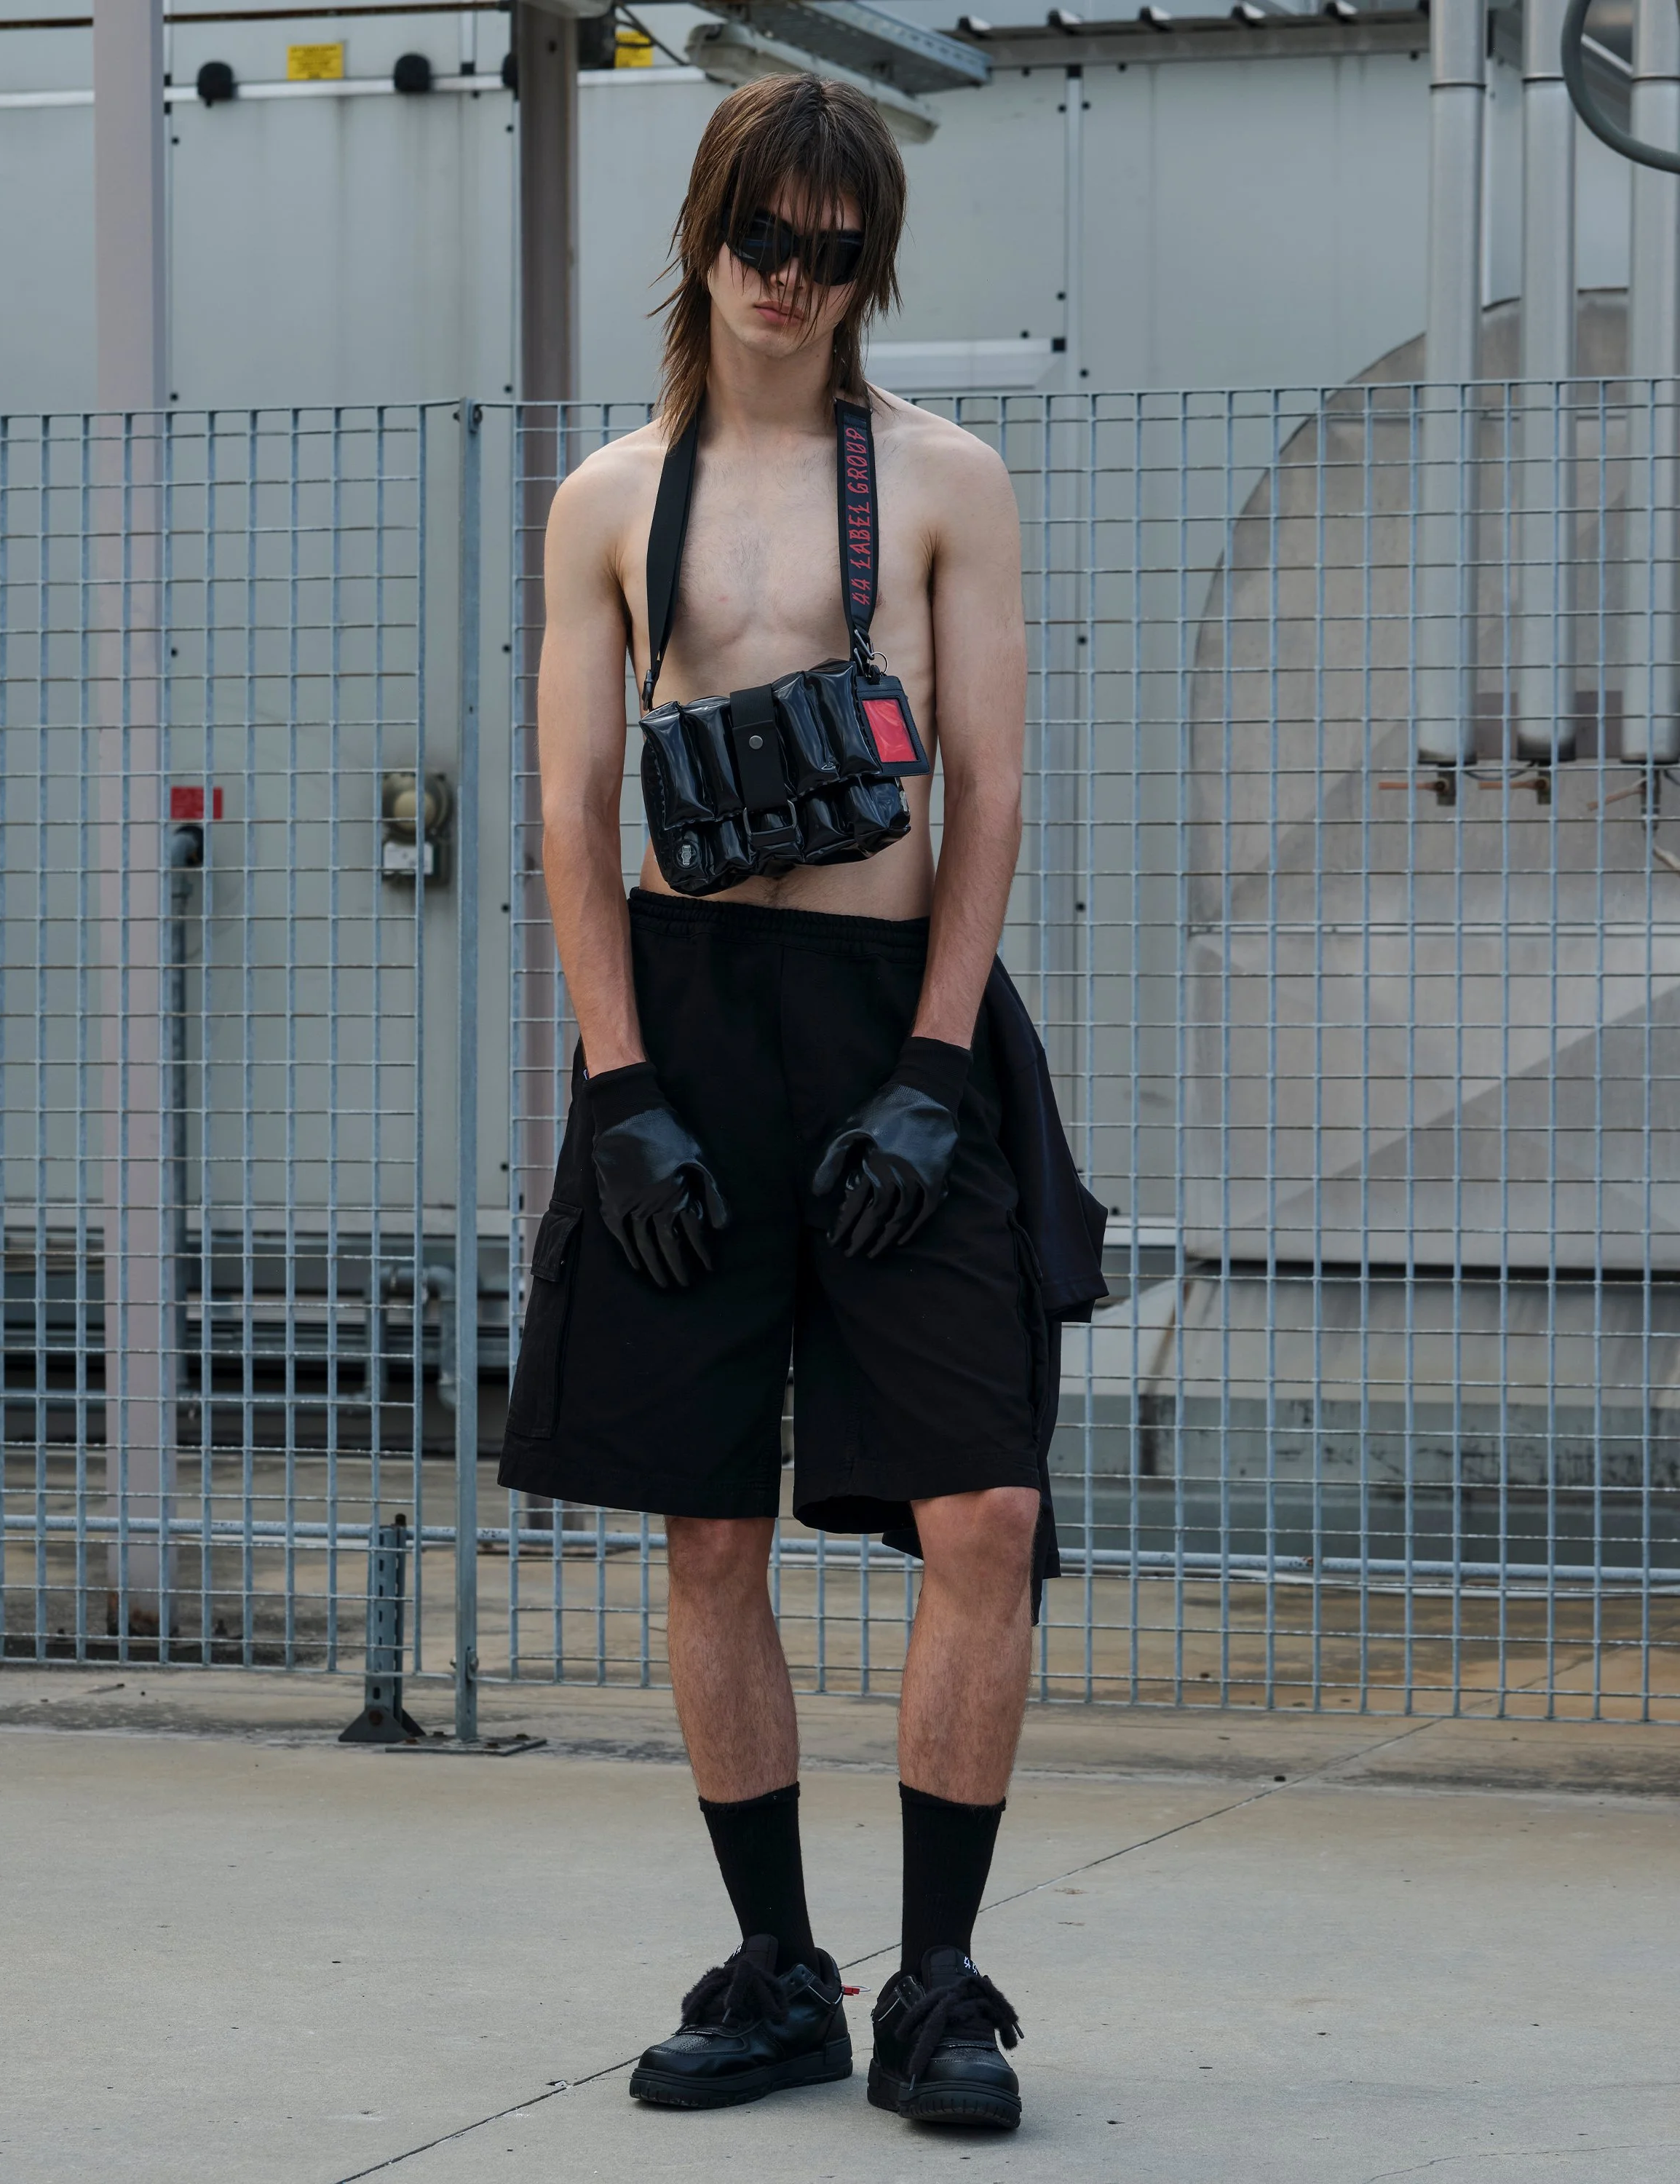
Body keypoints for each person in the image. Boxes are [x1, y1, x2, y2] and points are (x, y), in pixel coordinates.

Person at [500, 72, 1103, 2134]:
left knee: (986, 1507)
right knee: (708, 1526)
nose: (790, 279)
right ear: (706, 232)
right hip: (682, 1024)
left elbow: (988, 789)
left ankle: (937, 1989)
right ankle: (779, 1977)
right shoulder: (607, 499)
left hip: (890, 1019)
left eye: (833, 253)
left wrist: (937, 1070)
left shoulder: (945, 481)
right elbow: (574, 811)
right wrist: (619, 1091)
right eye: (762, 236)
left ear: (871, 270)